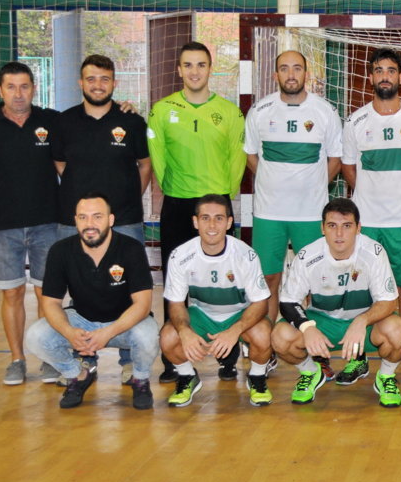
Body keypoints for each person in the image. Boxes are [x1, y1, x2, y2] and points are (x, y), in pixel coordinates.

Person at [147, 41, 246, 381]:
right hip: (176, 204)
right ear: (178, 70)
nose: (194, 71)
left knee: (226, 283)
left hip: (217, 204)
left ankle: (228, 355)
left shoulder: (230, 112)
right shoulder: (162, 110)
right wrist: (177, 192)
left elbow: (238, 159)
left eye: (201, 65)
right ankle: (173, 361)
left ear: (210, 69)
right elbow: (157, 159)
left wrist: (221, 197)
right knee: (175, 284)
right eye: (187, 65)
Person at [0, 61, 62, 386]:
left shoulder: (51, 121)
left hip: (48, 223)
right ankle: (17, 360)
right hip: (3, 226)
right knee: (12, 294)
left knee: (49, 295)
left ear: (34, 87)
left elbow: (73, 154)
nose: (19, 94)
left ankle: (49, 358)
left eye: (25, 86)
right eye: (11, 87)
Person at [340, 48, 401, 385]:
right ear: (370, 77)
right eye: (378, 70)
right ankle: (358, 359)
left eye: (391, 70)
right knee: (363, 293)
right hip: (366, 225)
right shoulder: (355, 122)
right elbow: (348, 168)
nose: (385, 76)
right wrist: (366, 192)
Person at [53, 54, 152, 383]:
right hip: (76, 223)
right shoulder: (64, 122)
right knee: (73, 288)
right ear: (81, 83)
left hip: (125, 220)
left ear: (114, 83)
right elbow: (61, 167)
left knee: (129, 289)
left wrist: (122, 203)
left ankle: (128, 358)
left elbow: (145, 165)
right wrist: (88, 213)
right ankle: (81, 354)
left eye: (104, 79)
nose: (98, 85)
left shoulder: (133, 122)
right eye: (91, 79)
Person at [24, 194, 159, 410]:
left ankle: (140, 380)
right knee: (35, 336)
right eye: (83, 217)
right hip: (82, 321)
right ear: (75, 220)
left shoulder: (130, 248)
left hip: (124, 323)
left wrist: (107, 333)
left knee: (148, 335)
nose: (90, 224)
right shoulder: (60, 251)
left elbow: (142, 305)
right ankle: (77, 375)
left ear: (110, 219)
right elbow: (50, 303)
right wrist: (69, 332)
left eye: (97, 217)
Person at [271, 198, 401, 408]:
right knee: (280, 337)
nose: (339, 234)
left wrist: (362, 321)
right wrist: (307, 328)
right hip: (324, 323)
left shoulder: (374, 252)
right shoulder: (308, 256)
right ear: (322, 228)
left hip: (365, 326)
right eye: (332, 226)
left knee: (397, 329)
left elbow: (389, 302)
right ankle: (311, 372)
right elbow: (288, 301)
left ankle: (386, 377)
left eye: (347, 226)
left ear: (358, 228)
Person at [245, 50, 342, 322]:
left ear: (306, 73)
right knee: (268, 278)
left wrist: (314, 185)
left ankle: (312, 343)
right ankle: (269, 343)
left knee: (314, 280)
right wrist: (270, 180)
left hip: (310, 214)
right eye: (285, 68)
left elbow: (336, 158)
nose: (291, 74)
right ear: (276, 75)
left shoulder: (325, 111)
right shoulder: (260, 110)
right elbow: (251, 156)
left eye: (297, 68)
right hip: (269, 213)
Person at [158, 195, 275, 407]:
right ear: (195, 222)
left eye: (219, 218)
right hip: (202, 314)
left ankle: (257, 377)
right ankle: (187, 377)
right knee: (168, 337)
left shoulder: (245, 255)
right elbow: (175, 304)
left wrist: (235, 330)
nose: (212, 225)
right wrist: (184, 331)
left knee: (264, 333)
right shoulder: (180, 255)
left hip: (239, 314)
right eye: (205, 218)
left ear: (229, 222)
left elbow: (261, 304)